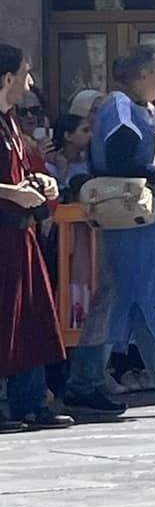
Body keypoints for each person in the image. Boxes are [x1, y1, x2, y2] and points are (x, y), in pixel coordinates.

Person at [68, 47, 155, 418]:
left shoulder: (141, 110)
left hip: (141, 224)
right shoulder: (120, 106)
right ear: (144, 75)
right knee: (149, 300)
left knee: (115, 300)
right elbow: (120, 160)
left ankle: (84, 383)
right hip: (133, 226)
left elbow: (134, 160)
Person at [0, 46, 69, 434]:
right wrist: (11, 193)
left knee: (31, 317)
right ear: (7, 78)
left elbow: (20, 171)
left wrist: (38, 183)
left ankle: (31, 400)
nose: (30, 83)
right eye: (25, 74)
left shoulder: (10, 124)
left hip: (19, 234)